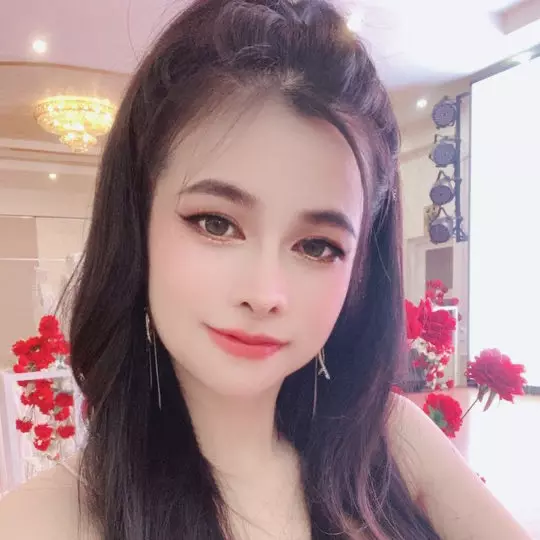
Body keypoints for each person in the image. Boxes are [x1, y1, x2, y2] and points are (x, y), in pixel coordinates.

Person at [0, 1, 531, 539]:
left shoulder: (392, 446)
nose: (264, 292)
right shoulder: (43, 522)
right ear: (138, 222)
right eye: (216, 223)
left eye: (317, 247)